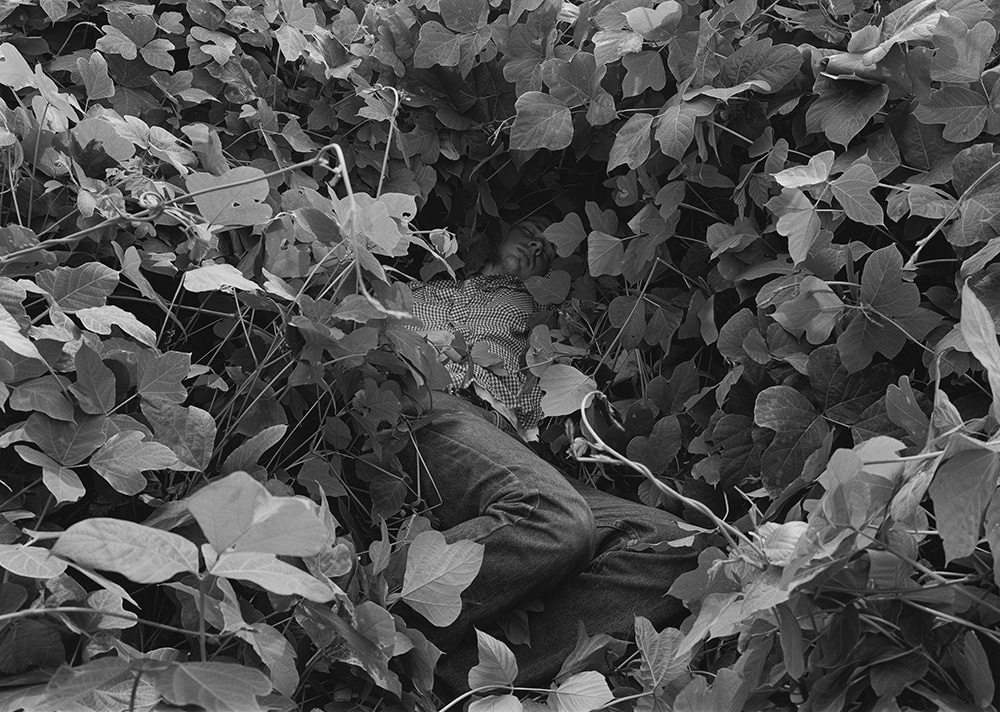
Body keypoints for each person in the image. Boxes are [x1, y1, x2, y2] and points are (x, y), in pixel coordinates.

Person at [401, 216, 698, 695]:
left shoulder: (543, 307)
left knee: (679, 548)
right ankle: (387, 630)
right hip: (426, 406)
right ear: (495, 229)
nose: (538, 245)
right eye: (531, 230)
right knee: (557, 520)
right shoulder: (411, 286)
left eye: (548, 248)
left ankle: (456, 682)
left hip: (511, 445)